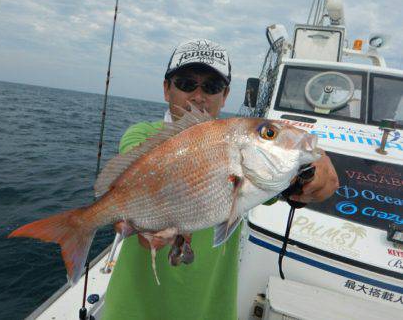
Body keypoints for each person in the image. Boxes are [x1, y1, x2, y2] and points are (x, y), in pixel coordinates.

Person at [101, 38, 339, 320]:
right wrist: (146, 226)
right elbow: (136, 168)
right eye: (187, 83)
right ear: (167, 89)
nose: (199, 95)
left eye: (212, 87)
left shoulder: (246, 153)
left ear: (225, 95)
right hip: (132, 310)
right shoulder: (141, 135)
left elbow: (291, 180)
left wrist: (312, 167)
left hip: (210, 310)